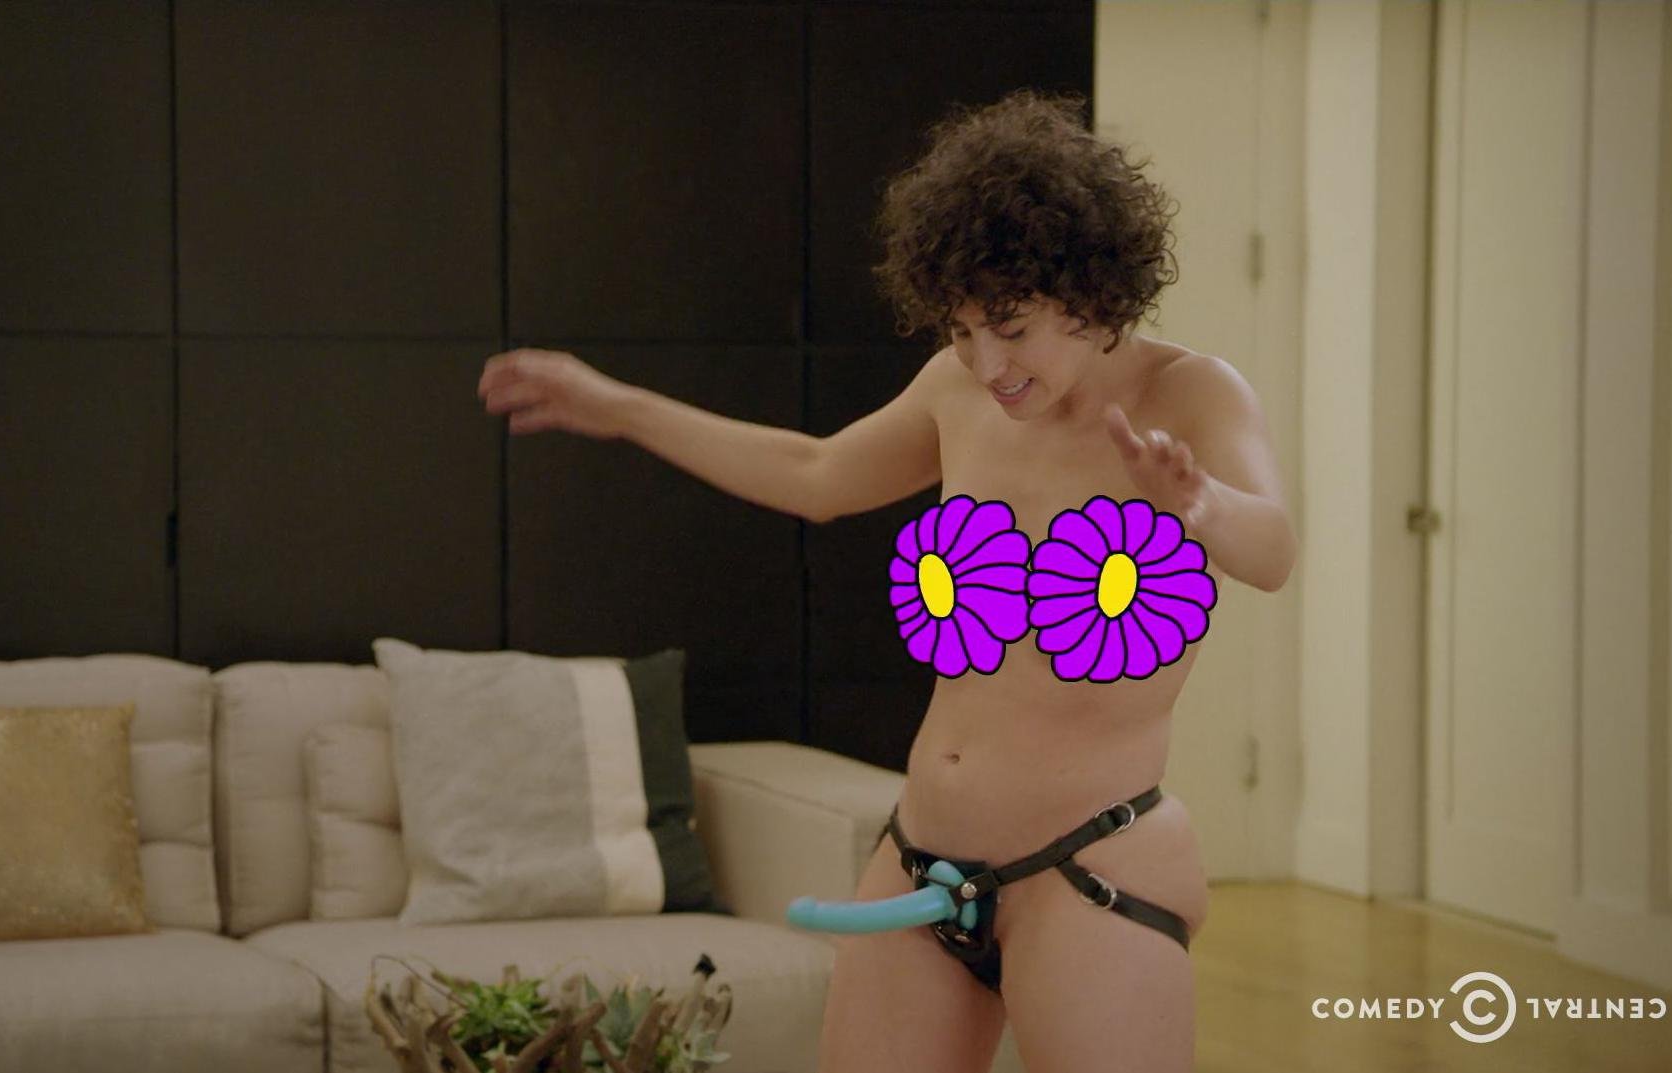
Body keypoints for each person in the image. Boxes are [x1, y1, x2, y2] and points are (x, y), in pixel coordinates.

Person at [475, 88, 1294, 1073]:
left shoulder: (1193, 392)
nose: (988, 364)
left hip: (1088, 865)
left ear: (1091, 289)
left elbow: (1274, 551)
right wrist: (619, 408)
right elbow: (815, 475)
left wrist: (1201, 501)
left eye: (1012, 327)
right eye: (960, 329)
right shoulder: (957, 389)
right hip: (919, 862)